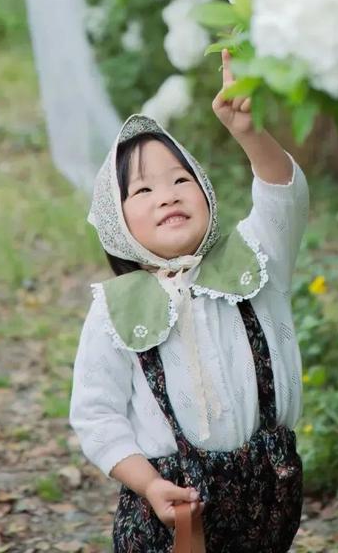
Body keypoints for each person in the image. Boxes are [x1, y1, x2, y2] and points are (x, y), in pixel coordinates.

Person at [69, 49, 310, 552]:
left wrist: (249, 132)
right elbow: (96, 414)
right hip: (170, 508)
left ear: (205, 192)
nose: (167, 195)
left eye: (181, 179)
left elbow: (283, 193)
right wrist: (148, 484)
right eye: (142, 190)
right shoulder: (117, 308)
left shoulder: (255, 260)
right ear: (117, 223)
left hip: (269, 494)